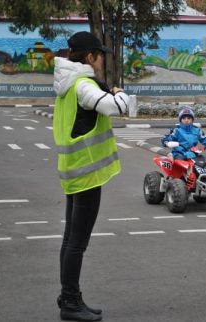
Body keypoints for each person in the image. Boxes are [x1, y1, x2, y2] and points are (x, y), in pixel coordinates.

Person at [53, 31, 129, 322]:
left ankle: (68, 296)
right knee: (77, 242)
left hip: (74, 171)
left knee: (70, 239)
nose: (101, 61)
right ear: (89, 57)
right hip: (86, 174)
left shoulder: (68, 85)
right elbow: (117, 107)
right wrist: (119, 92)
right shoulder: (83, 85)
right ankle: (70, 303)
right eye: (100, 55)